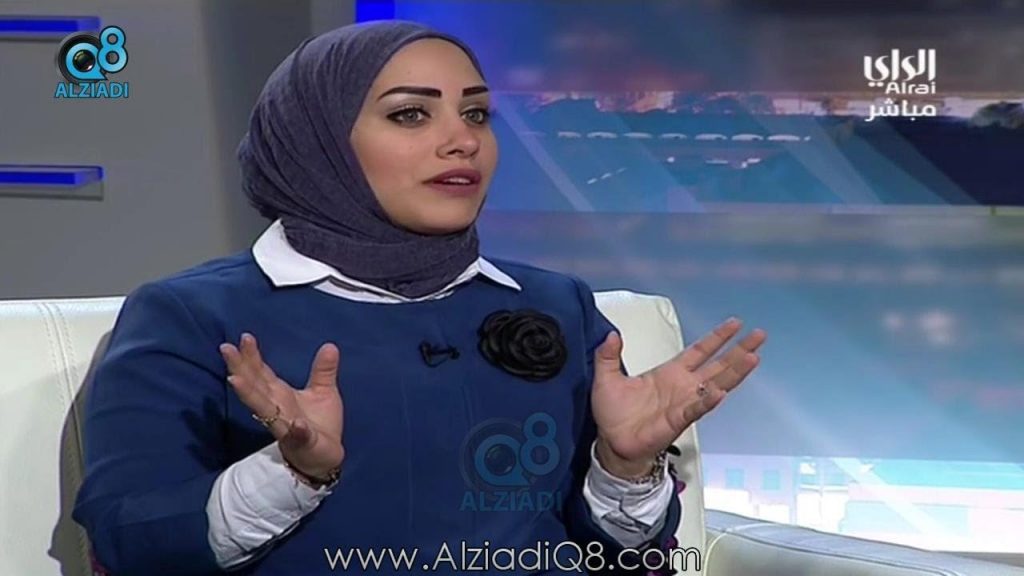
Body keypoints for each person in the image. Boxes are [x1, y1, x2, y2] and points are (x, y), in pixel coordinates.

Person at [71, 20, 766, 576]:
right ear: (316, 141)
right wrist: (290, 473)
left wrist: (625, 467)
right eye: (410, 115)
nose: (462, 140)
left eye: (477, 113)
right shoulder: (192, 317)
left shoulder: (559, 304)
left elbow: (624, 554)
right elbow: (132, 541)